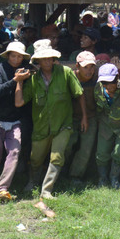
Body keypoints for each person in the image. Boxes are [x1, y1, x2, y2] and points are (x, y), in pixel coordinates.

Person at [14, 39, 87, 200]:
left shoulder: (65, 73)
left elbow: (79, 94)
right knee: (36, 158)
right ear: (37, 61)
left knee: (57, 156)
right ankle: (33, 181)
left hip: (63, 124)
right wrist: (19, 82)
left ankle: (47, 189)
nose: (47, 61)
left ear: (53, 58)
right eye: (43, 58)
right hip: (41, 127)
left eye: (49, 57)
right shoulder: (33, 80)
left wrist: (84, 118)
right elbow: (19, 102)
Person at [0, 41, 30, 201]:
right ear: (8, 56)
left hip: (15, 119)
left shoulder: (27, 71)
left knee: (14, 152)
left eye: (19, 56)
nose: (16, 59)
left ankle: (3, 187)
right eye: (13, 55)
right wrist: (15, 80)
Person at [66, 50, 99, 185]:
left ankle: (76, 175)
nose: (89, 71)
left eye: (92, 67)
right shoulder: (69, 78)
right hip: (71, 117)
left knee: (86, 148)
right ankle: (61, 171)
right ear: (77, 66)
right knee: (67, 145)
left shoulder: (96, 78)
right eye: (85, 67)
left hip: (91, 116)